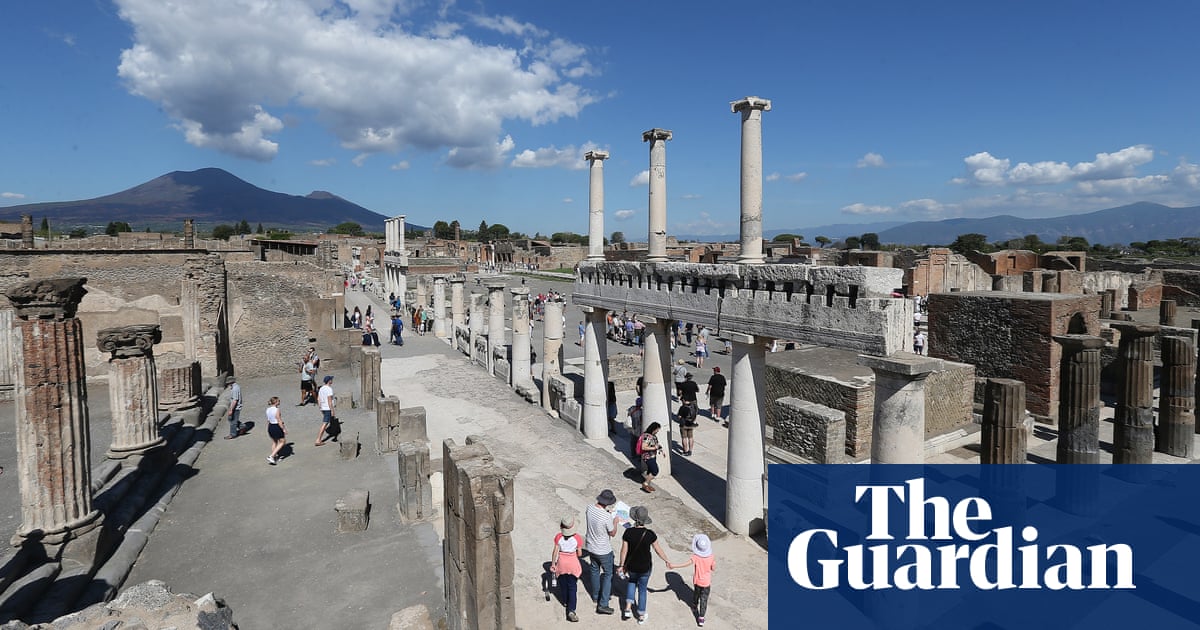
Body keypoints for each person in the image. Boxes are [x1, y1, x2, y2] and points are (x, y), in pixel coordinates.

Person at [617, 506, 674, 625]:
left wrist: (621, 565)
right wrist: (666, 560)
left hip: (631, 566)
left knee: (631, 582)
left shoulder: (628, 532)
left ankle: (627, 608)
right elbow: (658, 550)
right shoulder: (650, 534)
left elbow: (624, 551)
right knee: (642, 589)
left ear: (634, 518)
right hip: (645, 567)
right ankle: (641, 615)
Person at [668, 534, 717, 627]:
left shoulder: (696, 557)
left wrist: (674, 566)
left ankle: (694, 606)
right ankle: (701, 618)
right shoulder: (711, 556)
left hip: (697, 581)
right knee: (704, 599)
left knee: (696, 594)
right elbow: (713, 568)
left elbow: (686, 564)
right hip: (706, 583)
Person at [584, 490, 620, 616]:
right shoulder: (606, 517)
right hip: (604, 550)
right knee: (608, 574)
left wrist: (607, 514)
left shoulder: (589, 508)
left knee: (594, 570)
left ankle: (595, 595)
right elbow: (612, 533)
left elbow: (596, 516)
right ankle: (603, 604)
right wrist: (615, 522)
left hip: (591, 546)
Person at [551, 515, 585, 622]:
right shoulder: (577, 538)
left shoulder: (558, 537)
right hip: (572, 564)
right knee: (572, 587)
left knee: (563, 584)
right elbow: (579, 554)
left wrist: (553, 564)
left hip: (561, 564)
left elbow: (555, 551)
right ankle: (571, 610)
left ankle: (565, 601)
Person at [638, 422, 662, 493]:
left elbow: (655, 444)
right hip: (648, 457)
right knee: (655, 471)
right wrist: (655, 447)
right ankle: (645, 483)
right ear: (653, 429)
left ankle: (647, 485)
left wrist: (659, 448)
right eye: (657, 429)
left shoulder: (653, 436)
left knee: (650, 470)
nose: (658, 431)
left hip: (652, 456)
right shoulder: (647, 436)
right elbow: (644, 447)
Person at [265, 396, 287, 464]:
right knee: (282, 441)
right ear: (276, 402)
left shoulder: (268, 409)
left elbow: (268, 420)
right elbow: (278, 419)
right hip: (276, 426)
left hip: (270, 426)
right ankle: (271, 456)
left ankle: (274, 457)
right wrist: (283, 429)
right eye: (279, 401)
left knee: (275, 442)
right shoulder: (277, 409)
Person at [315, 375, 335, 446]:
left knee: (326, 422)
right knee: (325, 423)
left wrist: (320, 408)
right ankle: (318, 439)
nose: (332, 380)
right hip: (327, 408)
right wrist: (332, 410)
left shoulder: (321, 388)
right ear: (329, 381)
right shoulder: (329, 389)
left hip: (323, 407)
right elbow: (329, 401)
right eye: (331, 379)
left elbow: (318, 399)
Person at [223, 375, 244, 439]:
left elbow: (235, 400)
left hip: (236, 407)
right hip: (235, 406)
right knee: (230, 419)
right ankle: (242, 426)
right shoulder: (235, 387)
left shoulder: (235, 389)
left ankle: (232, 434)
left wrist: (231, 410)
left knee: (233, 421)